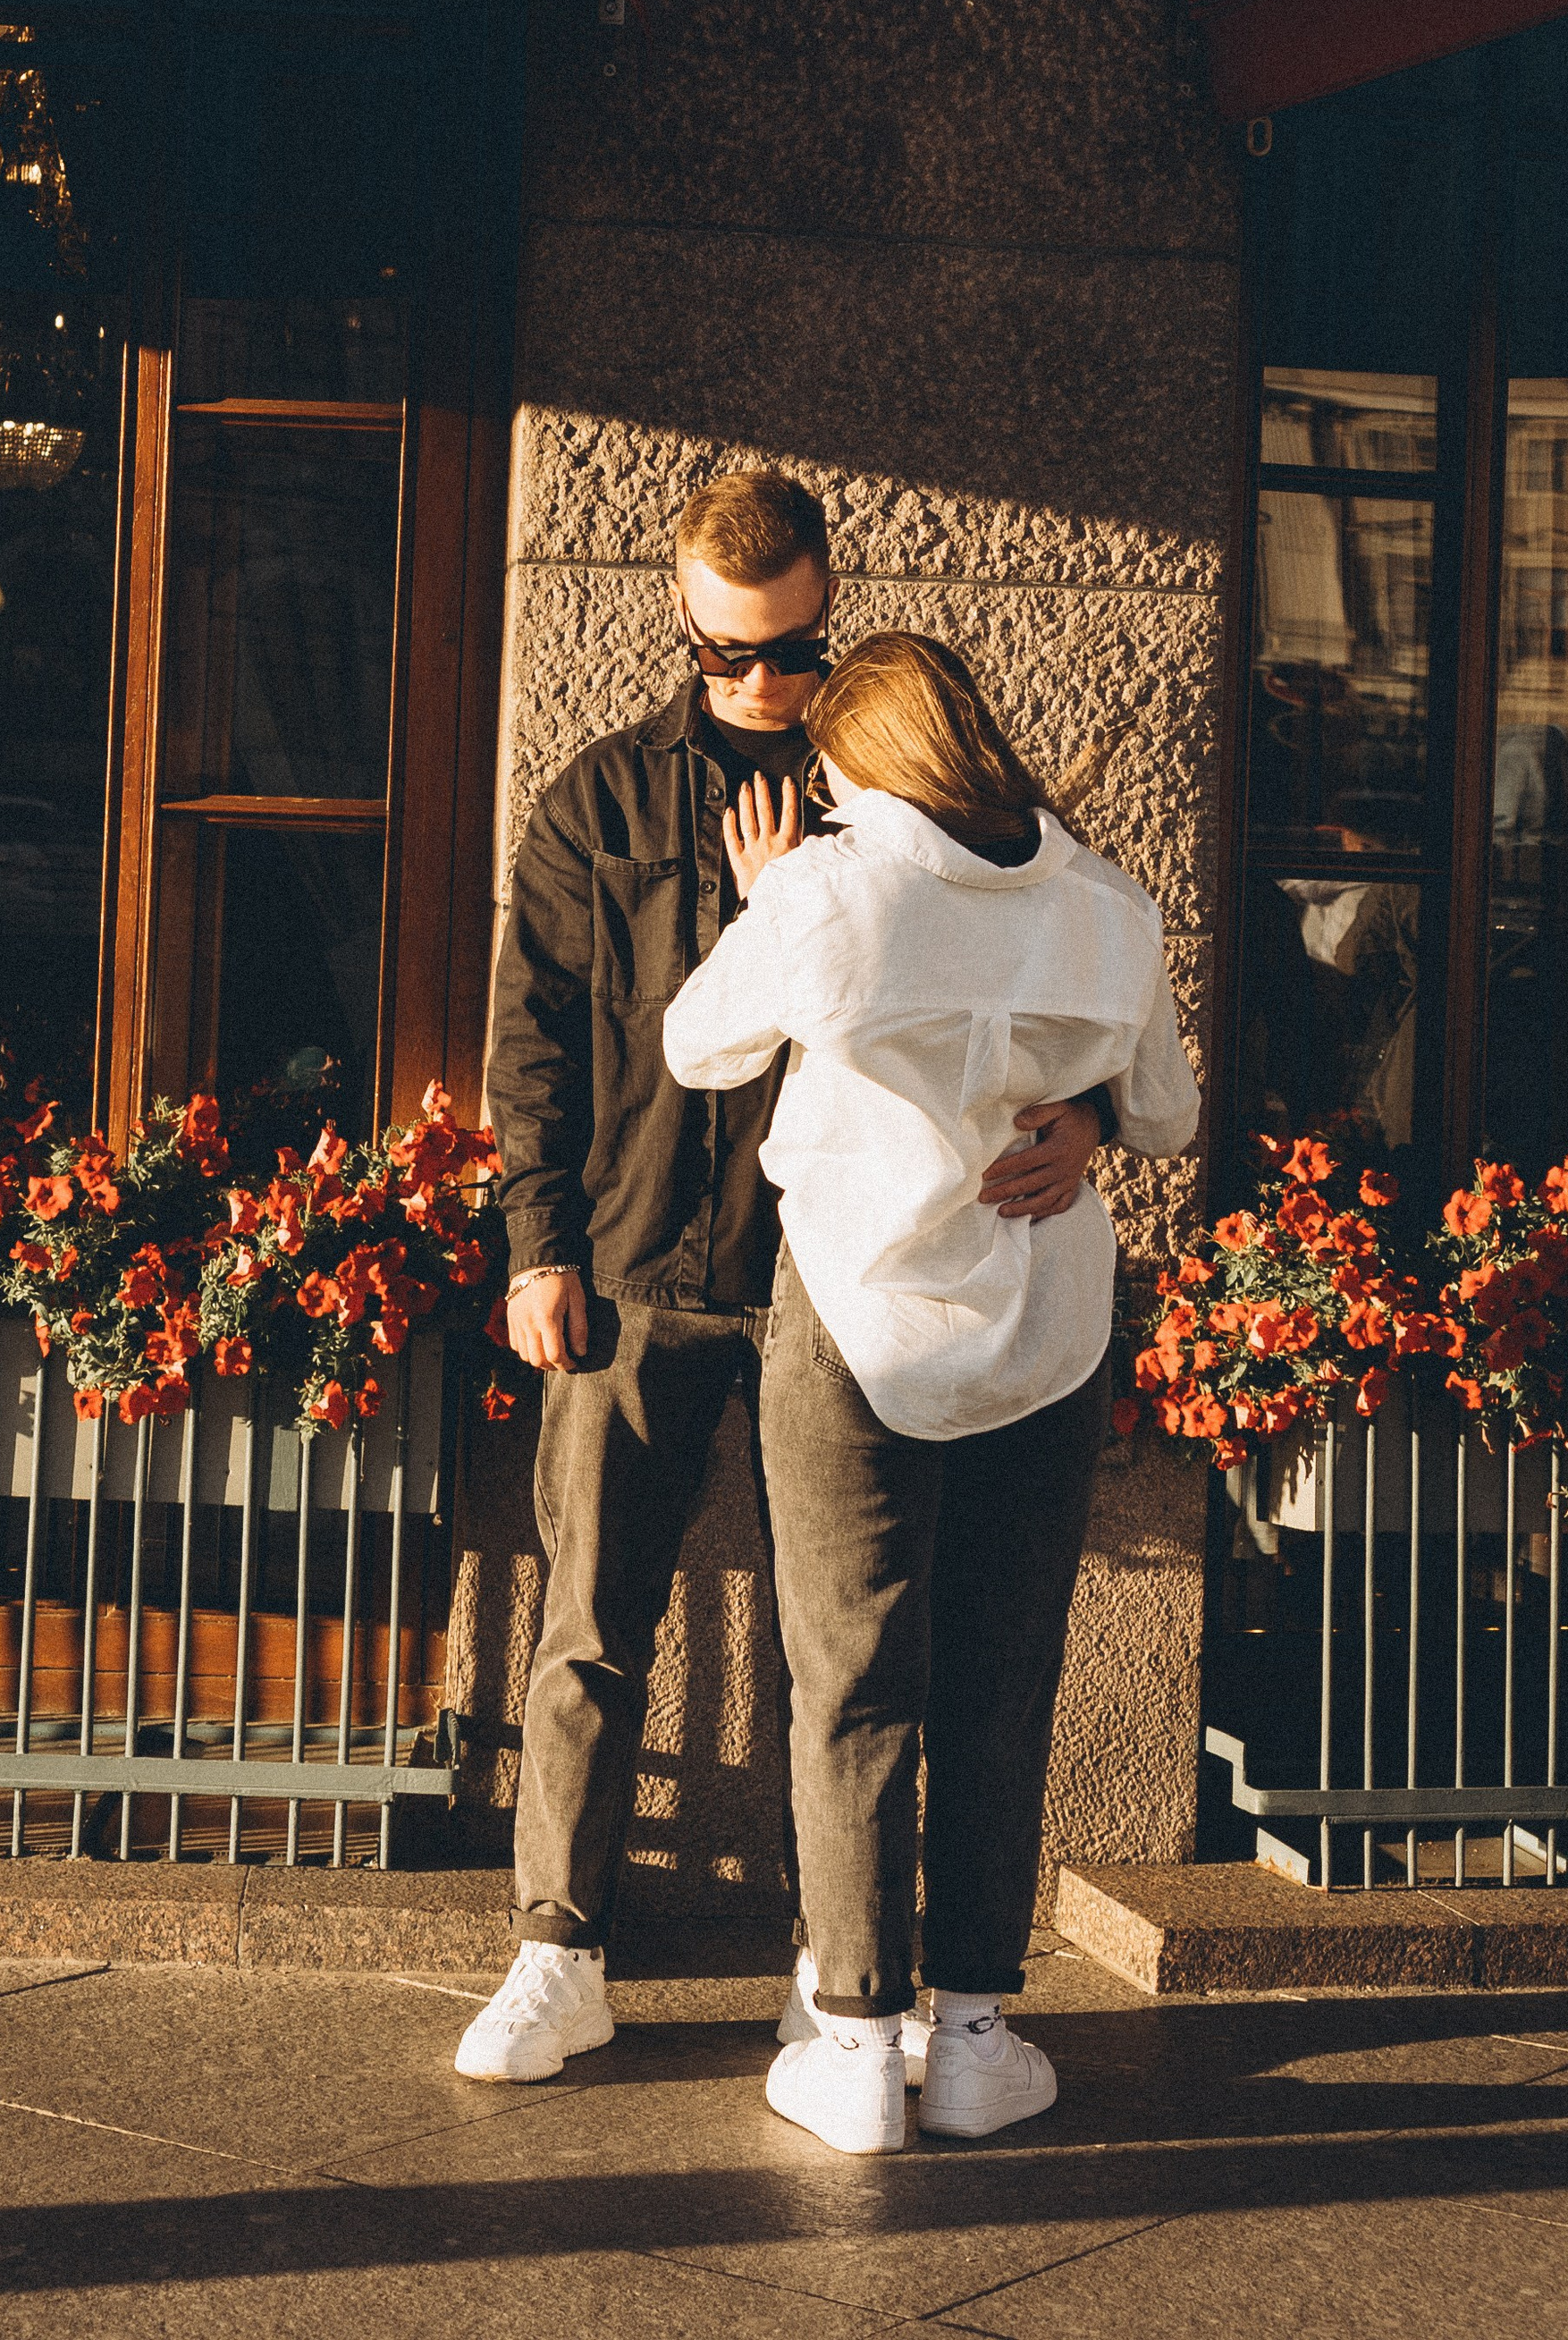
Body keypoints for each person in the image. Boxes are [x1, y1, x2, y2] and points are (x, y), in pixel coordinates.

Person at [454, 472, 1112, 2084]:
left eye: (793, 651)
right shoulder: (599, 802)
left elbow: (1059, 983)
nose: (758, 685)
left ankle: (844, 1978)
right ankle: (559, 1947)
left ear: (833, 614)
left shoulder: (918, 796)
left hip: (861, 1293)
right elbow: (533, 1039)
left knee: (863, 1659)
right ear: (681, 626)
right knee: (592, 1624)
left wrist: (1087, 1117)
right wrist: (540, 1248)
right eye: (722, 652)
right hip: (637, 1269)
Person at [662, 630, 1196, 2155]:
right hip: (1048, 1329)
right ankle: (971, 2036)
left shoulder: (831, 888)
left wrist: (772, 903)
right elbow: (1164, 1109)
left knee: (852, 1679)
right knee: (1000, 1676)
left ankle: (847, 2046)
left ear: (856, 756)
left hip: (855, 1319)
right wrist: (1081, 1109)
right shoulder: (1104, 902)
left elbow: (701, 1047)